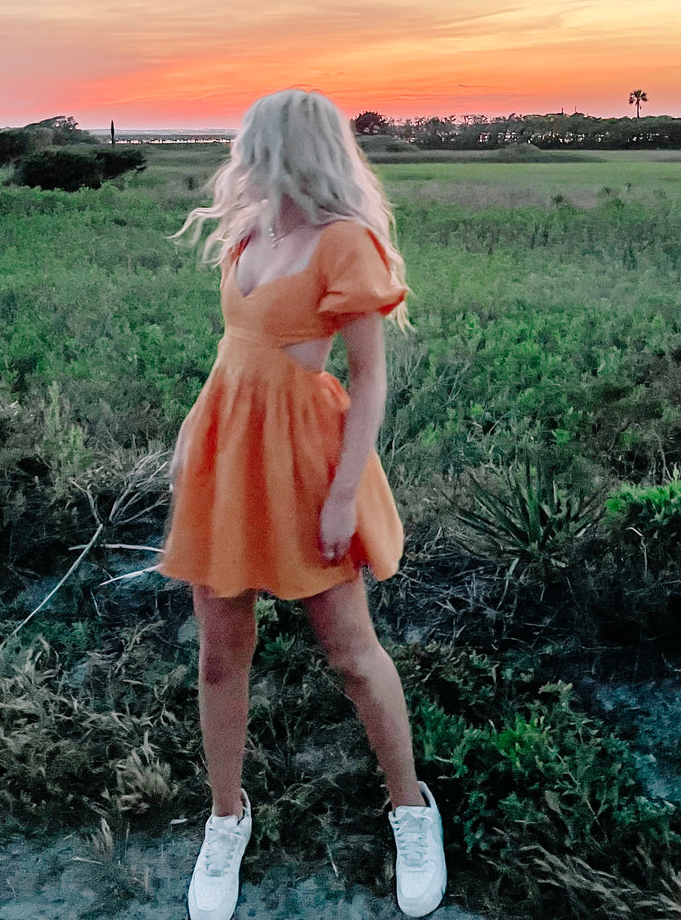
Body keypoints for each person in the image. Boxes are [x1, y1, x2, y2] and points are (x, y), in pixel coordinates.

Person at [158, 88, 448, 920]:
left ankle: (411, 810)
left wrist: (344, 492)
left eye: (252, 141)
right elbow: (235, 350)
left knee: (353, 654)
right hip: (226, 455)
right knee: (221, 650)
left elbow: (368, 379)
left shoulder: (343, 243)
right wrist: (190, 434)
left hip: (306, 462)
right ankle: (224, 820)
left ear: (288, 146)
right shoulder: (250, 233)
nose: (239, 153)